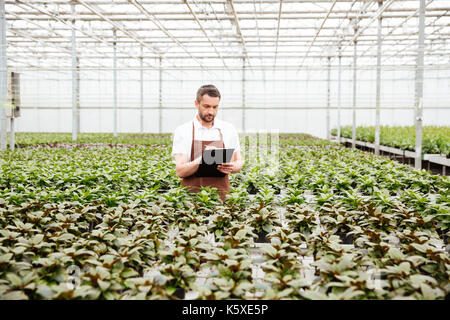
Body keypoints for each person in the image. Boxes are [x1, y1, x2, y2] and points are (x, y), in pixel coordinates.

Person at [172, 84, 244, 201]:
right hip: (191, 201)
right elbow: (180, 170)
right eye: (206, 106)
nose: (211, 111)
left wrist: (232, 167)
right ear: (196, 104)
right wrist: (202, 161)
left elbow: (239, 162)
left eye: (215, 107)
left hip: (221, 198)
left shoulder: (228, 129)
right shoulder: (183, 131)